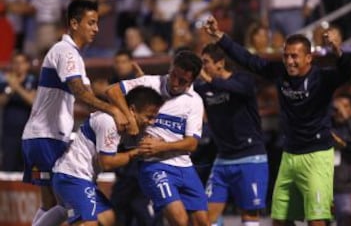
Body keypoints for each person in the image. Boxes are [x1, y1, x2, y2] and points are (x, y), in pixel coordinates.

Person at [203, 16, 351, 226]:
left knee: (316, 219)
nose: (289, 61)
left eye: (295, 56)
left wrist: (338, 51)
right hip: (290, 155)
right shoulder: (280, 73)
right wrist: (220, 37)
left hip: (317, 156)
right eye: (286, 56)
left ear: (309, 58)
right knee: (279, 220)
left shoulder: (323, 78)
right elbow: (249, 60)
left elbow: (346, 73)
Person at [21, 0, 126, 226]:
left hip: (41, 138)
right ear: (74, 23)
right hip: (46, 138)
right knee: (63, 202)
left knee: (52, 204)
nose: (96, 29)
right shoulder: (66, 52)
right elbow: (80, 92)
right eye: (91, 23)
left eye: (97, 23)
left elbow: (89, 98)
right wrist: (115, 110)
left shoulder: (73, 55)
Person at [106, 50, 210, 226]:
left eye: (183, 81)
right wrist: (130, 118)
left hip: (184, 166)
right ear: (171, 67)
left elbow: (192, 144)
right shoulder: (150, 83)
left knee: (202, 222)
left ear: (192, 81)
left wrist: (162, 147)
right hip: (155, 166)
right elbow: (112, 91)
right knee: (180, 220)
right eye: (174, 75)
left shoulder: (195, 101)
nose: (175, 83)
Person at [52, 86, 164, 226]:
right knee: (89, 223)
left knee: (107, 217)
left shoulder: (123, 124)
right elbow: (107, 162)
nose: (151, 122)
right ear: (133, 110)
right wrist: (137, 152)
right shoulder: (109, 122)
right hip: (72, 177)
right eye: (149, 117)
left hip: (80, 179)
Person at [195, 43, 269, 226]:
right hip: (222, 160)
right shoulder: (204, 88)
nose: (203, 68)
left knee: (250, 215)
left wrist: (211, 81)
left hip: (250, 158)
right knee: (205, 217)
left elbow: (238, 89)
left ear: (220, 63)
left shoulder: (243, 80)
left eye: (206, 63)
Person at [0, 52, 37, 171]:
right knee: (8, 167)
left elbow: (33, 101)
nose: (18, 66)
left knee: (26, 169)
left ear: (27, 65)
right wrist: (10, 88)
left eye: (21, 63)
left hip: (27, 133)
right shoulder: (5, 82)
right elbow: (2, 102)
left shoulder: (32, 81)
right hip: (9, 134)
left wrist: (17, 87)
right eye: (15, 63)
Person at [331, 92, 351, 226]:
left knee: (347, 217)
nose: (340, 111)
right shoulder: (328, 126)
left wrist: (347, 118)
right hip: (326, 186)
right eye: (337, 108)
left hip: (348, 188)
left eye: (345, 106)